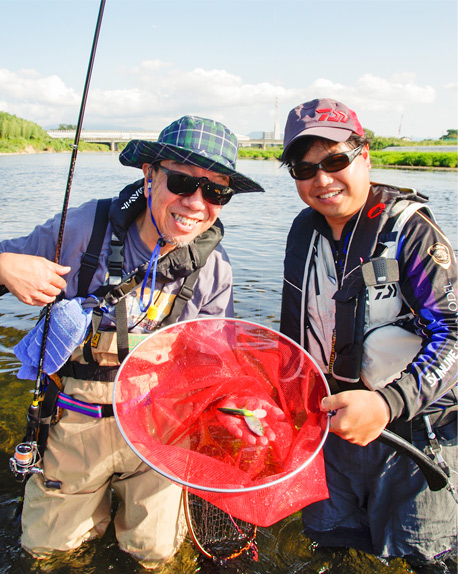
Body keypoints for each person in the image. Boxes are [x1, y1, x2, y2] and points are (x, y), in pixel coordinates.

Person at [0, 115, 264, 569]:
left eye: (217, 191)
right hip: (74, 425)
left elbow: (217, 366)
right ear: (149, 175)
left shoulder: (214, 269)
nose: (197, 203)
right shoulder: (86, 228)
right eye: (183, 181)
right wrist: (3, 264)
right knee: (46, 552)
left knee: (156, 555)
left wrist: (238, 409)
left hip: (162, 434)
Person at [280, 98, 457, 571]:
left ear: (365, 155)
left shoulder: (411, 232)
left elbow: (454, 333)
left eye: (336, 160)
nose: (322, 179)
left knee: (425, 556)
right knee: (331, 542)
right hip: (331, 422)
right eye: (305, 168)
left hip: (416, 429)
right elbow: (292, 334)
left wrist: (386, 404)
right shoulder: (304, 231)